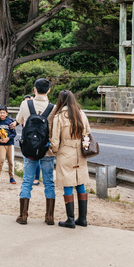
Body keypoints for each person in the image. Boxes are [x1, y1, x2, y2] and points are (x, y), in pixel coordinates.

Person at [14, 78, 55, 225]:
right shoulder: (53, 107)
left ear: (34, 89)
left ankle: (23, 215)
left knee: (27, 180)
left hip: (29, 148)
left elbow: (19, 119)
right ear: (49, 90)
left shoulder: (26, 104)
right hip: (47, 149)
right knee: (49, 182)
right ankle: (49, 216)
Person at [49, 90, 91, 229]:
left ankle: (70, 219)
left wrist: (55, 151)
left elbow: (55, 140)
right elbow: (88, 133)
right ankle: (83, 218)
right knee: (80, 182)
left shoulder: (59, 117)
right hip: (80, 151)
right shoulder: (82, 114)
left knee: (67, 183)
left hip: (65, 150)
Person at [0, 107, 17, 184]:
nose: (2, 114)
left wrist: (8, 138)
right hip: (1, 144)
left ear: (6, 114)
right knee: (2, 159)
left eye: (4, 113)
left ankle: (11, 177)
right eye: (0, 113)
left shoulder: (10, 121)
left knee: (10, 161)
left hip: (10, 143)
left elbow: (14, 133)